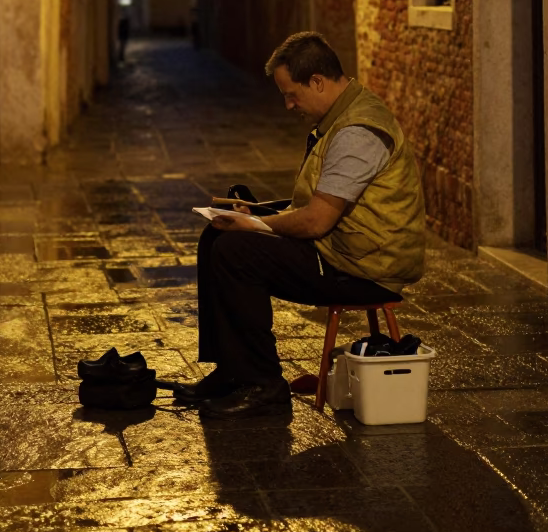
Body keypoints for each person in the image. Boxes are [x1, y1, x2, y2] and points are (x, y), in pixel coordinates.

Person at [173, 31, 425, 419]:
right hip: (342, 249)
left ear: (318, 82)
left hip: (363, 267)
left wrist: (254, 226)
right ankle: (231, 372)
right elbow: (319, 203)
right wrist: (257, 212)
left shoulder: (357, 131)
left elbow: (316, 220)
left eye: (292, 94)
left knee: (236, 251)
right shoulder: (340, 118)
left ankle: (264, 385)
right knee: (216, 237)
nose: (289, 105)